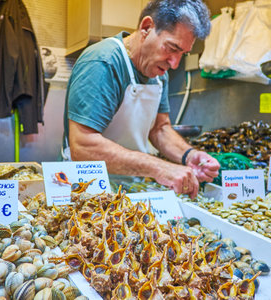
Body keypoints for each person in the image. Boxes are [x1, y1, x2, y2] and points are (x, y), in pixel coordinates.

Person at [62, 0, 220, 198]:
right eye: (172, 48)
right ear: (146, 27)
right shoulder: (104, 62)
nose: (174, 63)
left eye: (182, 53)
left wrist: (189, 155)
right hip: (87, 188)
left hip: (131, 186)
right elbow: (83, 146)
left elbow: (160, 128)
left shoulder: (158, 72)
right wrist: (160, 168)